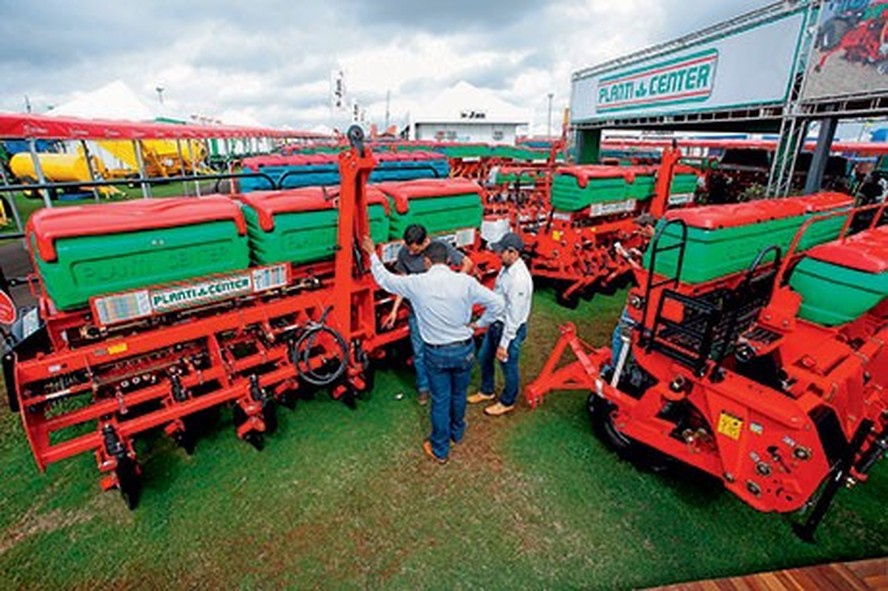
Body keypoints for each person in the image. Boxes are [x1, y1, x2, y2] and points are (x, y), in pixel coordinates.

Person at [362, 235, 503, 464]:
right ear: (448, 260)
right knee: (459, 394)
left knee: (440, 400)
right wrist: (479, 324)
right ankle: (457, 433)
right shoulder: (465, 282)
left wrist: (371, 253)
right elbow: (498, 304)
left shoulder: (418, 283)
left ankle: (440, 449)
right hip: (464, 350)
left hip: (436, 352)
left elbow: (385, 280)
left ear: (427, 261)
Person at [383, 224, 474, 406]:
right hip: (417, 310)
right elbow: (403, 283)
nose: (411, 252)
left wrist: (454, 283)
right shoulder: (404, 253)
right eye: (408, 247)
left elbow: (468, 263)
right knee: (419, 351)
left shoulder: (440, 248)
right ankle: (424, 388)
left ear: (425, 242)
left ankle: (443, 385)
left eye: (415, 249)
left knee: (442, 346)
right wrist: (394, 311)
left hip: (440, 309)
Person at [468, 233, 533, 417]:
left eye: (502, 251)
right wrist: (480, 323)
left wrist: (504, 344)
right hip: (497, 324)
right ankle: (487, 391)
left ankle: (507, 401)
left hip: (509, 329)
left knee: (508, 365)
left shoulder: (519, 279)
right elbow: (497, 302)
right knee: (484, 357)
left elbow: (514, 314)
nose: (498, 254)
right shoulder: (506, 269)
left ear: (513, 253)